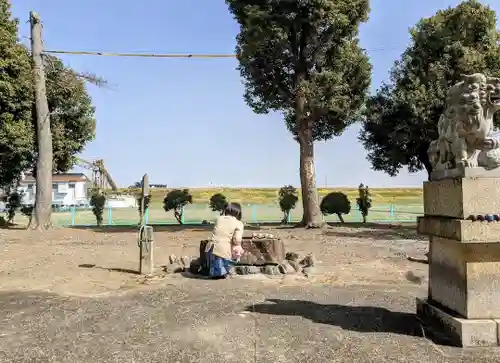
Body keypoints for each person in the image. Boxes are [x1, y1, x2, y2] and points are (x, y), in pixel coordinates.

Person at [204, 202, 244, 279]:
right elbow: (237, 240)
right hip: (222, 250)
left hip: (210, 249)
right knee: (237, 251)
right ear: (238, 212)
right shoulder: (238, 223)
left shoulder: (219, 219)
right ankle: (222, 272)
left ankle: (214, 271)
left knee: (215, 258)